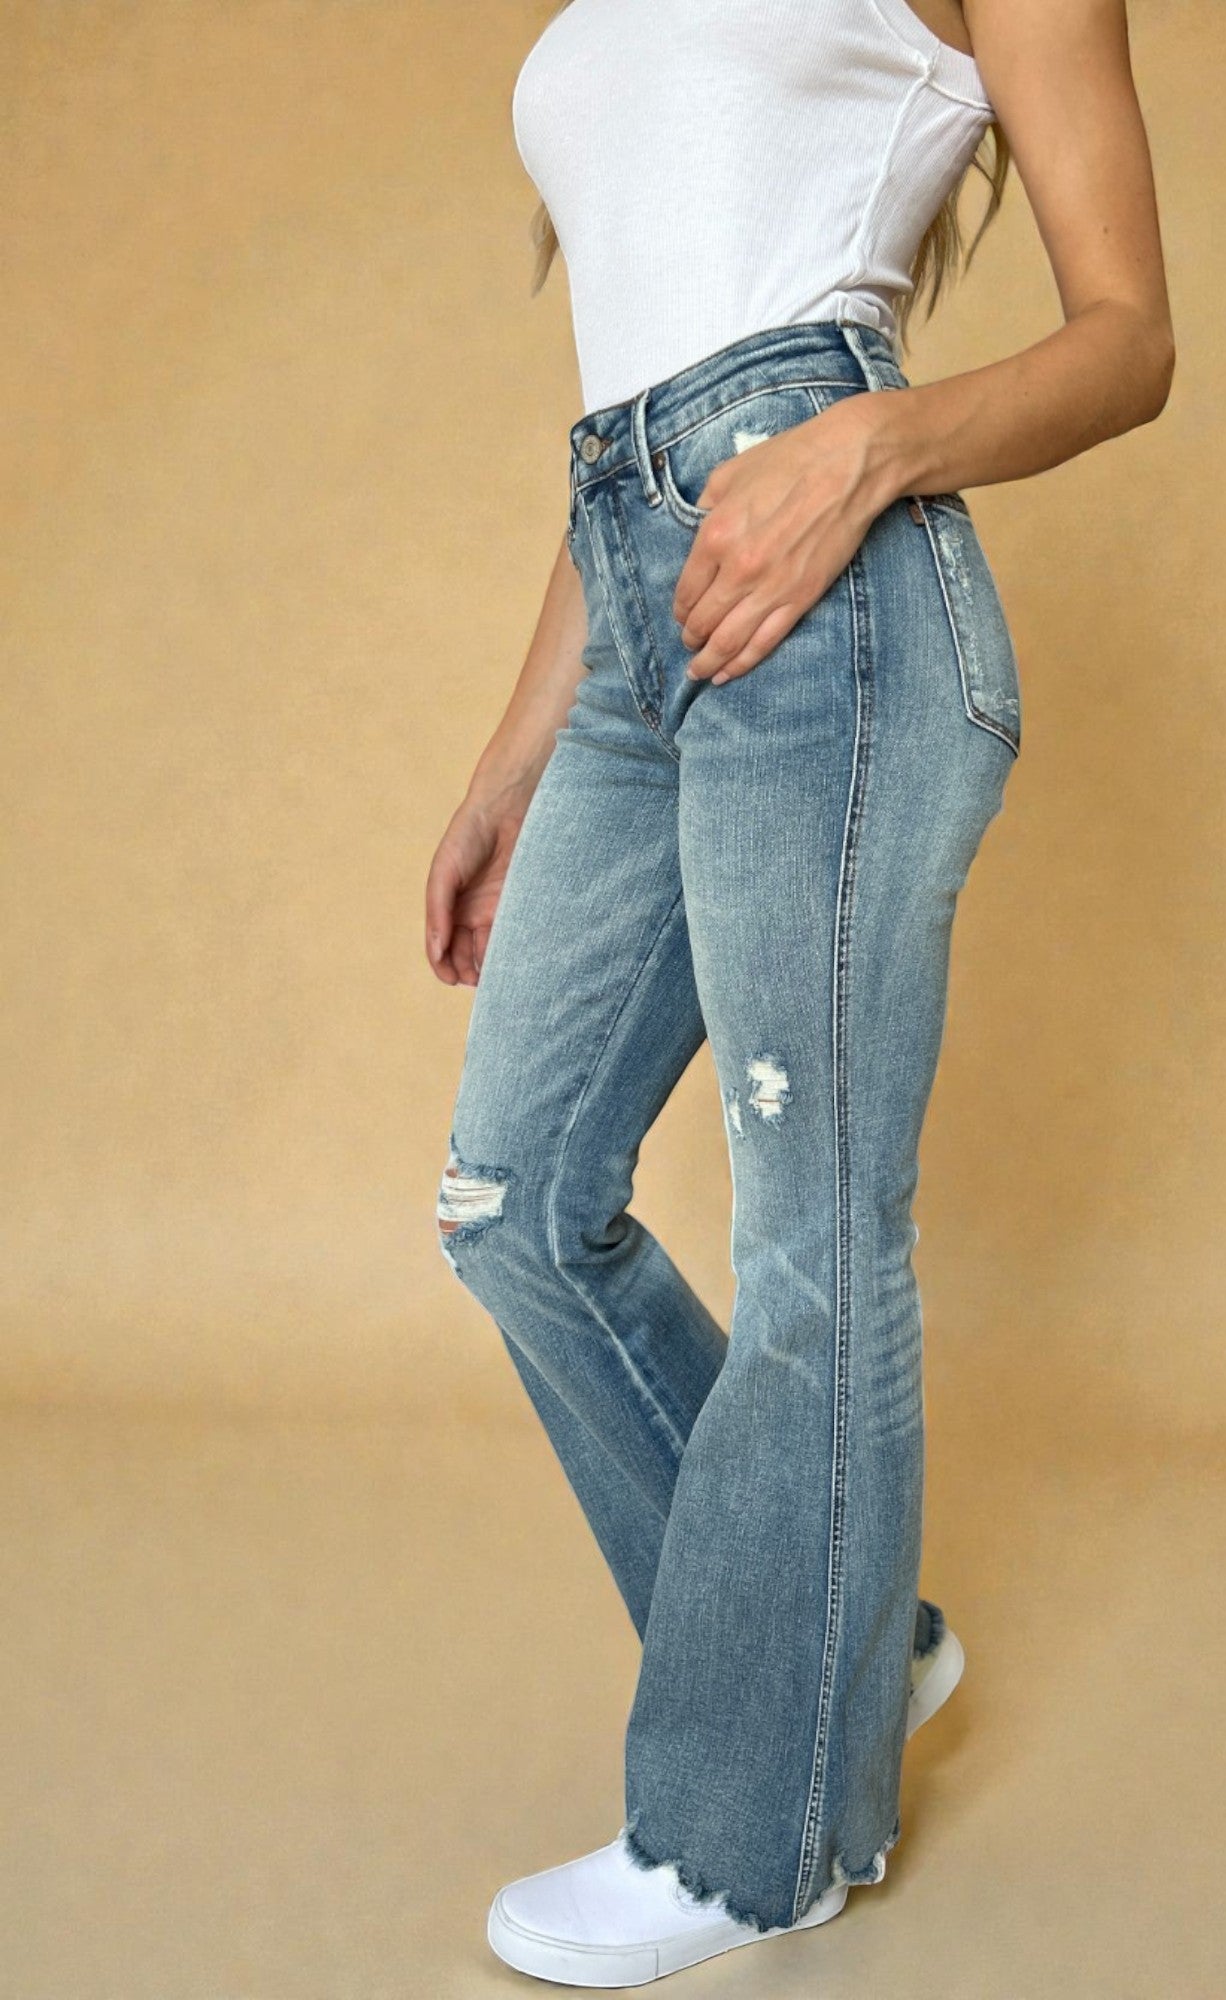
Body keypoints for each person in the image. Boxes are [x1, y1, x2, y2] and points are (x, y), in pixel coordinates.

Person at [424, 0, 1173, 1983]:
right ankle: (856, 1638)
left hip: (834, 611)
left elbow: (1128, 335)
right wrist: (510, 765)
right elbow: (641, 427)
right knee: (512, 1197)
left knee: (815, 1238)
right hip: (638, 599)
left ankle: (750, 1833)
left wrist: (870, 444)